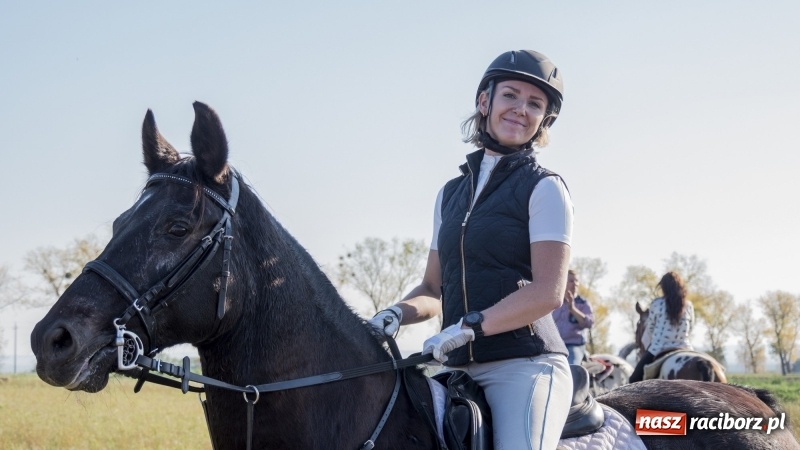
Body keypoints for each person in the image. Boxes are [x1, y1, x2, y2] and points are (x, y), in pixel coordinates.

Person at [370, 50, 573, 450]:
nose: (521, 109)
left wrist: (467, 327)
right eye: (511, 96)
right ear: (485, 101)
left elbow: (547, 292)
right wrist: (393, 314)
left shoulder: (546, 188)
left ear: (543, 120)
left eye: (535, 104)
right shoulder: (449, 195)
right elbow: (432, 288)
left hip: (525, 367)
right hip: (458, 368)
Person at [628, 271, 695, 382]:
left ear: (664, 287)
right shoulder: (688, 305)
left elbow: (650, 328)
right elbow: (691, 327)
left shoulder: (657, 304)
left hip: (659, 348)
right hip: (685, 347)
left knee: (633, 380)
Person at [552, 269, 594, 365]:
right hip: (555, 346)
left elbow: (589, 323)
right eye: (571, 281)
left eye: (576, 281)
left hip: (574, 346)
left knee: (571, 367)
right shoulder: (554, 303)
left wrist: (573, 309)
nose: (575, 284)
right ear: (563, 282)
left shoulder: (583, 303)